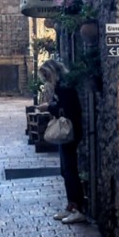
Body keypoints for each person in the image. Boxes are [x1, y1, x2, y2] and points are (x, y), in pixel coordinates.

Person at [40, 59, 86, 224]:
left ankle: (78, 207)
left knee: (70, 170)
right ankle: (71, 205)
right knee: (66, 170)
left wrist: (49, 108)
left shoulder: (64, 88)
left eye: (46, 75)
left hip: (70, 130)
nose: (45, 79)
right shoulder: (62, 86)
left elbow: (66, 110)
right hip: (70, 130)